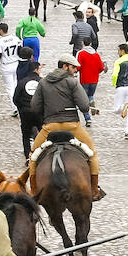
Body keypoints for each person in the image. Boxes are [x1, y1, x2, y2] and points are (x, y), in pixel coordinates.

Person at [29, 54, 105, 201]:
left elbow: (34, 107)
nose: (76, 70)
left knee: (33, 156)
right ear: (65, 66)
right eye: (73, 67)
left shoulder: (43, 82)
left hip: (50, 127)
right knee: (92, 154)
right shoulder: (72, 82)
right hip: (72, 126)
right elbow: (84, 106)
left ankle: (33, 191)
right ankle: (94, 189)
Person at [13, 61, 42, 158]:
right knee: (42, 134)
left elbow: (15, 98)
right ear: (36, 70)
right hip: (39, 112)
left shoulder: (22, 82)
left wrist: (21, 109)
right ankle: (40, 153)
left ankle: (27, 156)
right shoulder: (42, 82)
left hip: (25, 112)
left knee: (26, 135)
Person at [76, 37, 106, 127]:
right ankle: (91, 101)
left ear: (83, 43)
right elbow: (101, 68)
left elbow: (78, 67)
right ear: (90, 43)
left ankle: (88, 118)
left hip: (84, 79)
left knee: (83, 100)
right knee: (90, 95)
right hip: (94, 80)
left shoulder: (81, 53)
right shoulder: (96, 54)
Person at [0, 23, 22, 115]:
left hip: (6, 65)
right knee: (16, 85)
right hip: (16, 63)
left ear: (1, 30)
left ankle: (15, 107)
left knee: (10, 88)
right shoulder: (15, 39)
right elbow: (20, 51)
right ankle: (20, 105)